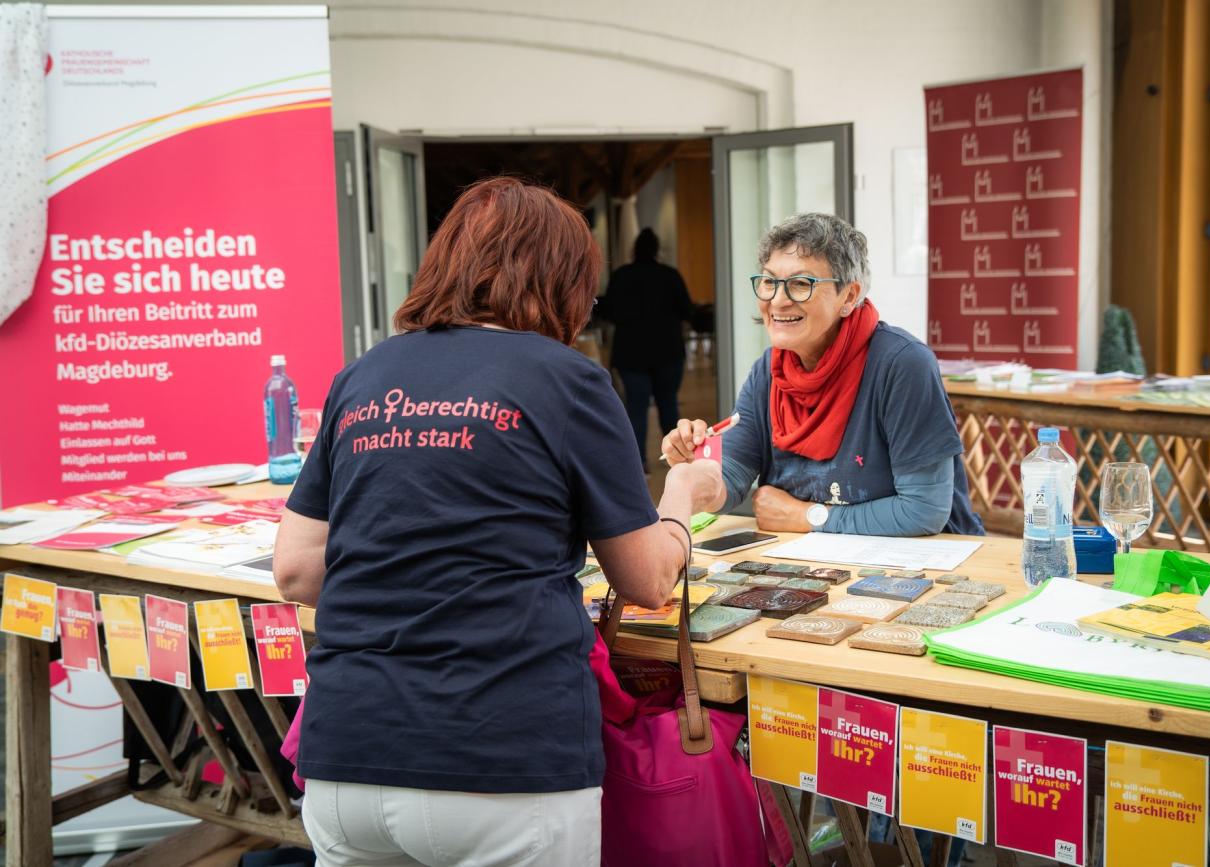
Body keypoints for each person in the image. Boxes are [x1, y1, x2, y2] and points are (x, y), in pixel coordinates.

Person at [273, 177, 724, 867]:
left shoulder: (361, 377)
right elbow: (646, 576)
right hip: (505, 758)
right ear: (564, 282)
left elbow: (297, 568)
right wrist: (684, 495)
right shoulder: (568, 379)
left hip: (348, 760)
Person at [662, 212, 982, 538]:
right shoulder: (769, 372)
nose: (778, 300)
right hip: (814, 565)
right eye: (770, 281)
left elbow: (924, 510)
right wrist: (694, 473)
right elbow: (729, 477)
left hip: (927, 564)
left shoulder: (901, 364)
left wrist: (809, 516)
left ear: (849, 296)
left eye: (801, 284)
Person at [602, 227, 695, 469]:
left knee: (636, 408)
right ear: (657, 249)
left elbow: (609, 312)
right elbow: (687, 310)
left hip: (631, 353)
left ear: (635, 249)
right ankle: (679, 459)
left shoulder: (621, 276)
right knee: (668, 405)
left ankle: (638, 464)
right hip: (668, 351)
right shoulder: (670, 275)